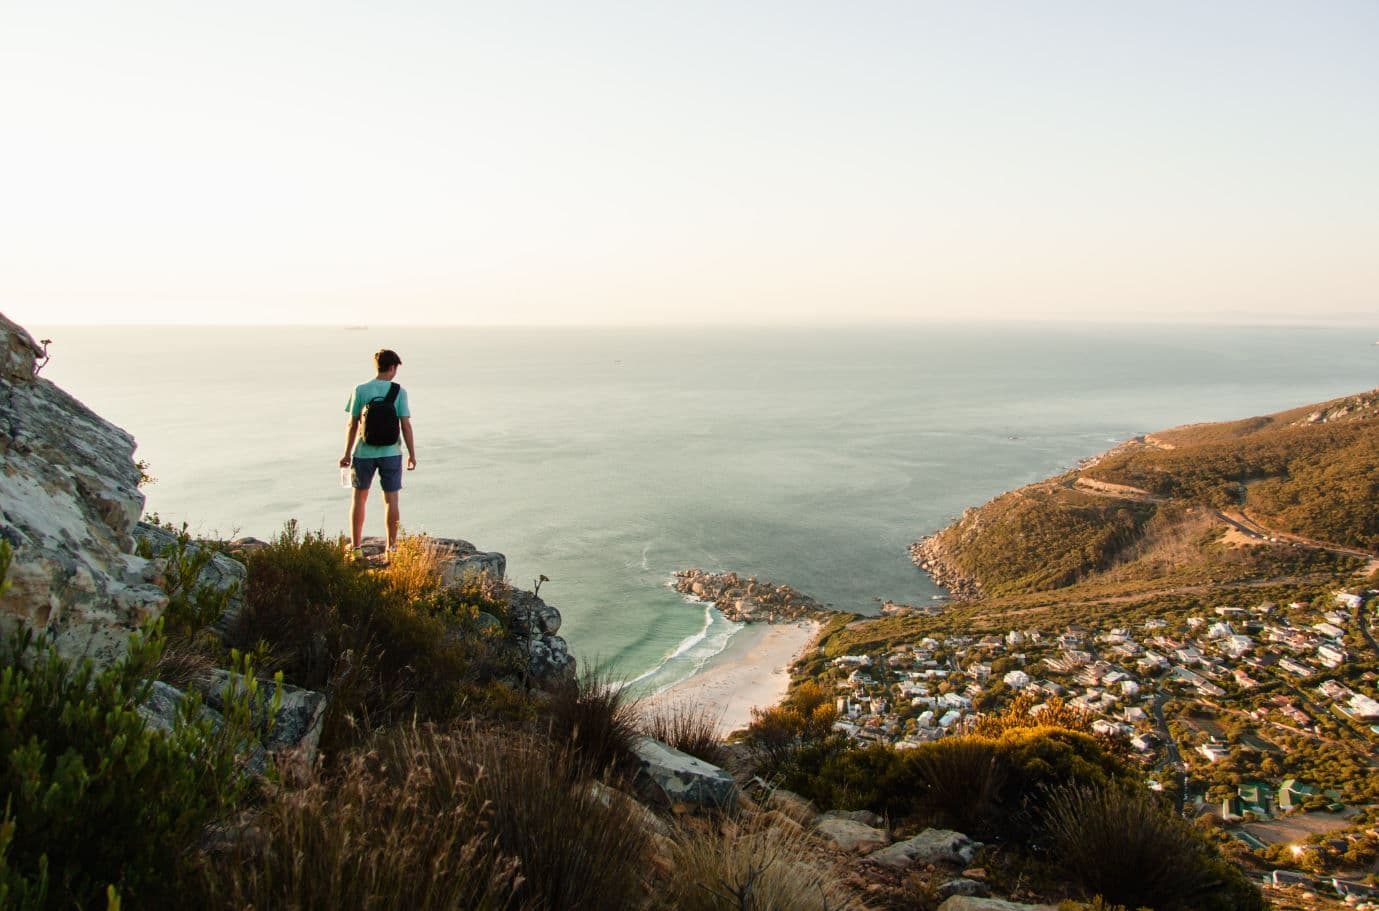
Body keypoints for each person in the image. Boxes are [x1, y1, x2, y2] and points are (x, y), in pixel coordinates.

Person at [340, 348, 416, 555]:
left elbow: (352, 424)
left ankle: (356, 548)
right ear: (392, 367)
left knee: (359, 499)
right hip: (391, 452)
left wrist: (347, 453)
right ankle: (391, 548)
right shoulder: (399, 392)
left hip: (363, 452)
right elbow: (406, 426)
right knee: (391, 500)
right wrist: (412, 454)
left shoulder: (360, 390)